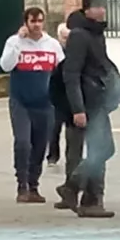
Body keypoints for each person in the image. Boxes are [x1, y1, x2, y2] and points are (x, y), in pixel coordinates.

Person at [55, 0, 120, 218]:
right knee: (104, 148)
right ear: (88, 9)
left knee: (101, 149)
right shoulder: (79, 35)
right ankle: (76, 189)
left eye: (104, 6)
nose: (103, 10)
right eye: (98, 6)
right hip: (87, 104)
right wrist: (78, 109)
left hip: (99, 101)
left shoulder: (96, 34)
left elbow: (103, 64)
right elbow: (71, 74)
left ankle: (89, 199)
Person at [0, 6, 64, 203]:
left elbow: (63, 70)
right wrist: (18, 43)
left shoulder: (51, 44)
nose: (36, 25)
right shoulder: (14, 42)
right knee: (23, 143)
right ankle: (22, 186)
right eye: (32, 21)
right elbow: (6, 65)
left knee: (40, 146)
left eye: (39, 21)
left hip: (45, 104)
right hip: (21, 102)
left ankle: (34, 186)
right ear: (25, 23)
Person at [45, 21, 72, 167]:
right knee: (54, 128)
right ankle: (52, 156)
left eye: (68, 37)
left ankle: (71, 156)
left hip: (70, 95)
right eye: (64, 37)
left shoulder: (75, 51)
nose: (66, 40)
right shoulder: (55, 51)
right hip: (56, 96)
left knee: (72, 129)